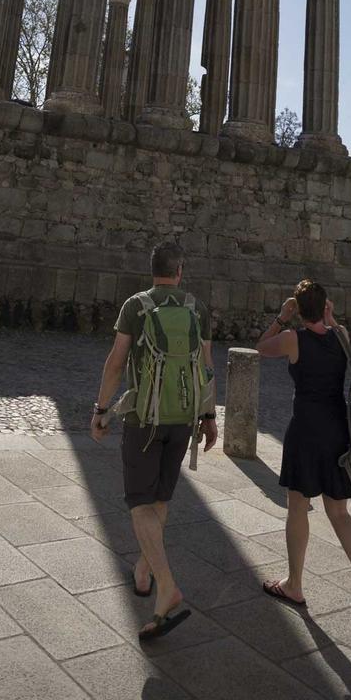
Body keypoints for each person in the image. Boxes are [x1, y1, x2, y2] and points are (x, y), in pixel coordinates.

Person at [90, 242, 217, 641]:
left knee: (140, 504)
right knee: (159, 499)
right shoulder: (198, 309)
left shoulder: (136, 306)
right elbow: (206, 367)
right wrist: (210, 415)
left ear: (153, 271)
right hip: (183, 418)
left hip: (145, 419)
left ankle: (166, 585)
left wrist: (101, 408)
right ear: (180, 271)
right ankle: (144, 570)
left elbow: (115, 361)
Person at [256, 278, 351, 633]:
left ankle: (295, 584)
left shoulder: (292, 338)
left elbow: (260, 347)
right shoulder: (341, 336)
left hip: (305, 431)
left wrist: (283, 317)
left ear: (300, 310)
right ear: (326, 306)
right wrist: (331, 320)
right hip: (337, 432)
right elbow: (335, 332)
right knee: (340, 513)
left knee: (298, 508)